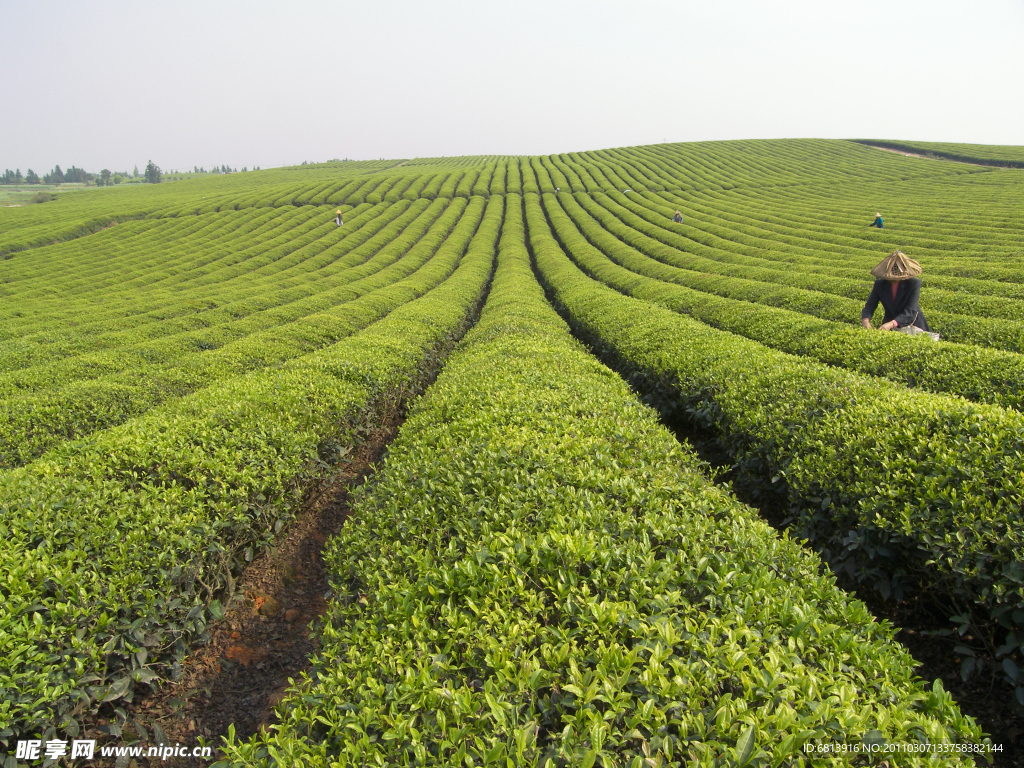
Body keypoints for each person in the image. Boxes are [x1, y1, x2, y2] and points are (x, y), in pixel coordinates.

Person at [861, 250, 935, 336]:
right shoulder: (880, 284)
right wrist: (865, 320)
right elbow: (871, 304)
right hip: (889, 323)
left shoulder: (913, 283)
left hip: (913, 325)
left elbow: (911, 310)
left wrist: (891, 324)